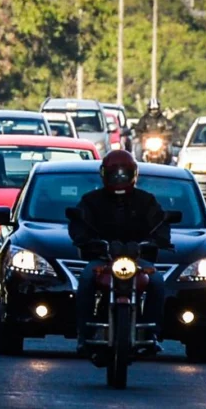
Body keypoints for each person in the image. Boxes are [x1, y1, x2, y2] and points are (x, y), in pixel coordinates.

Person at [68, 150, 171, 353]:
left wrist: (154, 242)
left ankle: (152, 333)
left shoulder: (147, 201)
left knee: (157, 281)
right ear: (104, 174)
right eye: (114, 174)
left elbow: (161, 224)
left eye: (124, 173)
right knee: (87, 278)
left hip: (138, 261)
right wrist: (90, 242)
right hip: (103, 260)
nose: (119, 178)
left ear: (134, 174)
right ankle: (83, 333)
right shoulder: (91, 200)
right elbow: (78, 224)